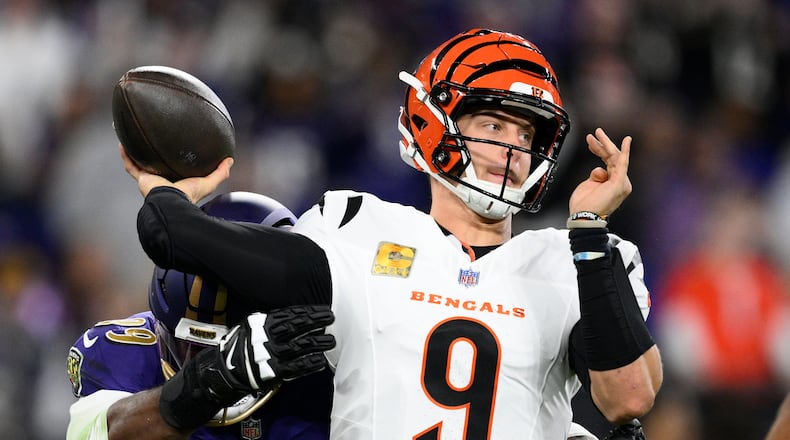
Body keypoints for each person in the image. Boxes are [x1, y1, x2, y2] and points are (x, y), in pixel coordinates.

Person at [122, 28, 662, 438]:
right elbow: (180, 240)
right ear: (434, 122)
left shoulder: (574, 257)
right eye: (493, 126)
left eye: (526, 133)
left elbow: (628, 398)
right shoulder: (356, 233)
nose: (513, 150)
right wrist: (170, 193)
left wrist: (589, 231)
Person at [66, 191, 336, 439]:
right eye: (188, 348)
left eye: (225, 349)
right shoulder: (124, 352)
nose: (199, 358)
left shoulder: (332, 362)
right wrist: (206, 382)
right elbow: (95, 435)